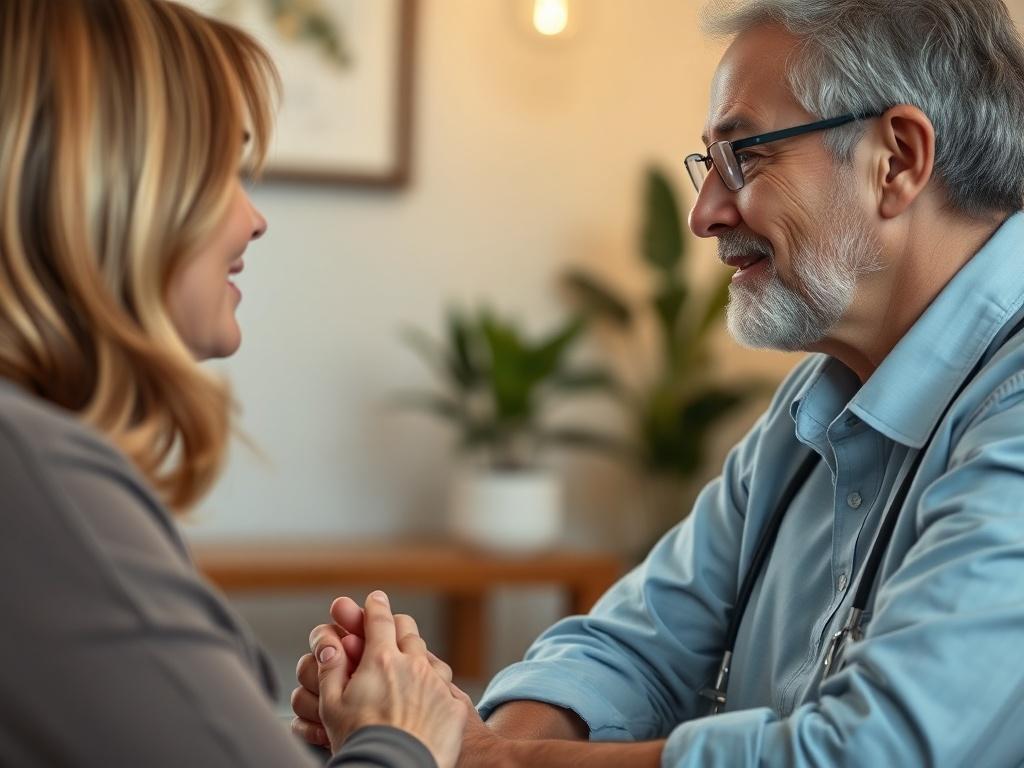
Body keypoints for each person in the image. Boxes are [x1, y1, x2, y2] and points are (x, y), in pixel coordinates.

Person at [290, 0, 1024, 765]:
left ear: (898, 159)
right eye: (710, 166)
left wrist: (492, 759)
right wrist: (449, 735)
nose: (705, 214)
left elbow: (867, 754)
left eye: (746, 158)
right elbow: (631, 647)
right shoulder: (812, 407)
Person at [0, 1, 466, 766]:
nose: (254, 219)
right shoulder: (30, 473)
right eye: (221, 168)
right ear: (106, 183)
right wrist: (404, 732)